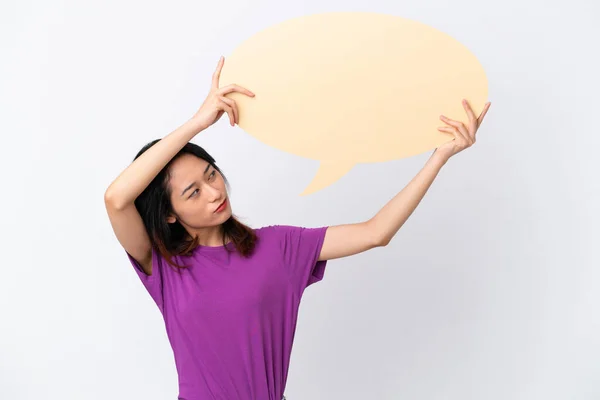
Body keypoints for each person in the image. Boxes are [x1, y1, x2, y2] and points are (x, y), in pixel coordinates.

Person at [104, 56, 491, 400]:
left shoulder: (277, 246)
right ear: (169, 214)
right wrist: (200, 122)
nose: (214, 192)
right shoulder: (163, 266)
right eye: (193, 192)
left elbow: (377, 232)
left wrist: (439, 158)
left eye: (211, 174)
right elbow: (116, 199)